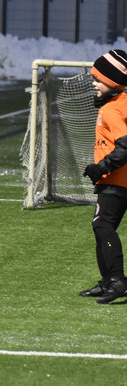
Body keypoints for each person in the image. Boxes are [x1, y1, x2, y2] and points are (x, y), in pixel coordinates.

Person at [81, 49, 127, 304]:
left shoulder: (111, 110)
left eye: (97, 79)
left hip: (116, 181)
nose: (94, 84)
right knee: (102, 228)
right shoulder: (119, 103)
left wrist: (101, 168)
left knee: (102, 226)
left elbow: (125, 147)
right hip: (117, 180)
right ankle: (109, 281)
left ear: (111, 81)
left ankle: (118, 281)